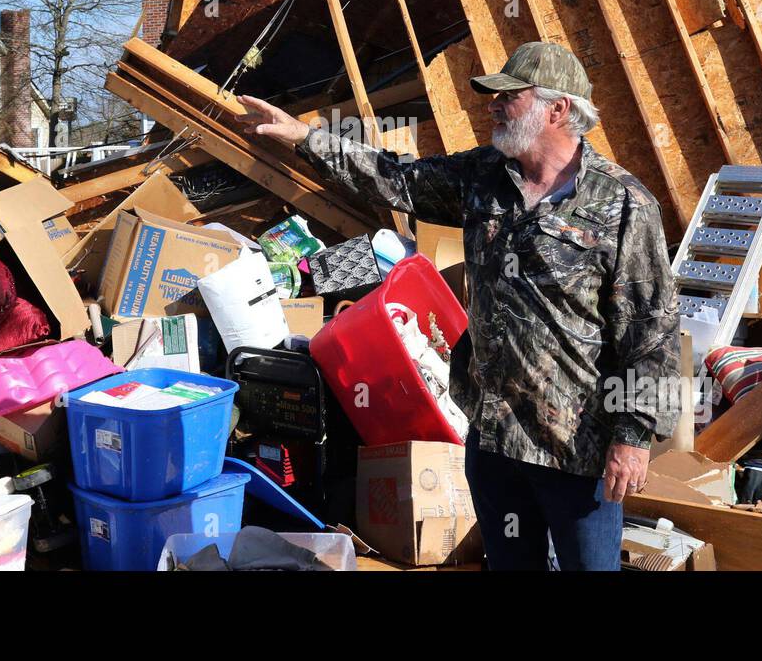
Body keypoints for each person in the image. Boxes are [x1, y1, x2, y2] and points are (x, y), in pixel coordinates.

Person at [237, 41, 680, 571]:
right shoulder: (483, 177)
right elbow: (393, 178)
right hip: (493, 437)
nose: (491, 106)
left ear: (558, 109)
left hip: (575, 447)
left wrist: (632, 438)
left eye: (508, 98)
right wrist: (303, 136)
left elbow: (652, 330)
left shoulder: (624, 204)